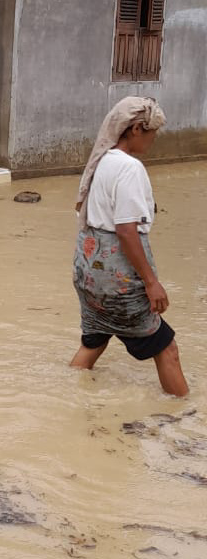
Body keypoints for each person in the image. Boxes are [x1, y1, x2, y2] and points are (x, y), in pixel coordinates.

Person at [70, 96, 189, 397]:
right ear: (136, 129)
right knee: (166, 347)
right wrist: (152, 283)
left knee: (95, 339)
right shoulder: (130, 168)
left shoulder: (102, 161)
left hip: (89, 272)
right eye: (152, 132)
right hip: (117, 279)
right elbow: (126, 230)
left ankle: (69, 394)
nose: (154, 139)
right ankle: (186, 415)